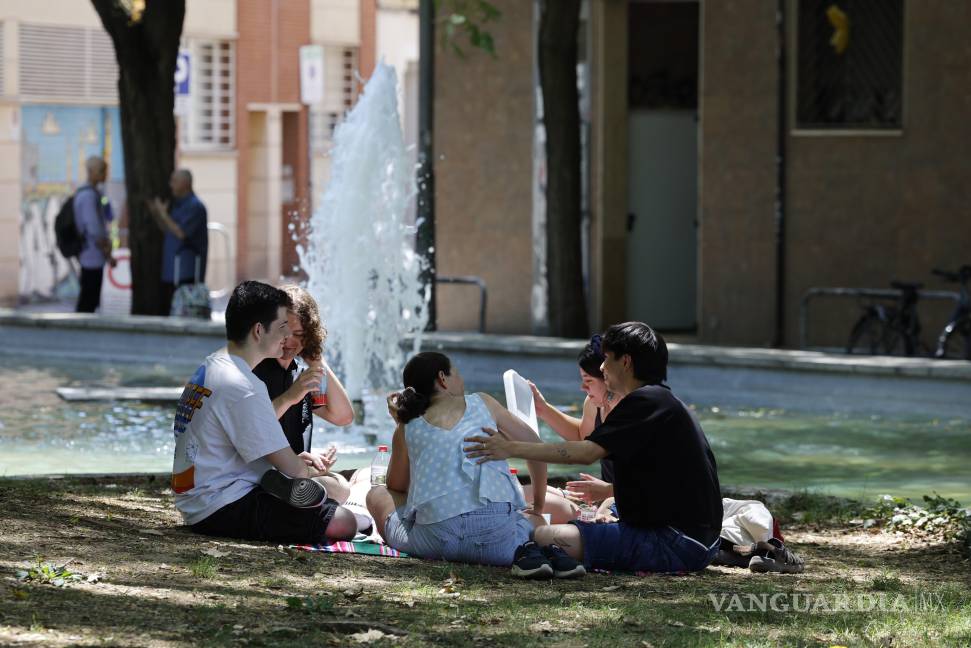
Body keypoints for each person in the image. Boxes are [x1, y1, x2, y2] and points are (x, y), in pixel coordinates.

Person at [465, 322, 723, 576]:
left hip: (679, 543)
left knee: (544, 535)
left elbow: (586, 452)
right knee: (584, 518)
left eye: (607, 358)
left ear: (626, 362)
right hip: (694, 539)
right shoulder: (657, 400)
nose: (601, 367)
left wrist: (510, 447)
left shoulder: (646, 402)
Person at [171, 280, 357, 544]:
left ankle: (286, 492)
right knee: (345, 521)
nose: (287, 338)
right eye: (282, 327)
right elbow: (294, 470)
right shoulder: (245, 385)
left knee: (327, 489)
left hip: (201, 496)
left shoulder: (214, 365)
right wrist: (304, 472)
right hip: (222, 504)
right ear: (260, 331)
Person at [366, 352, 582, 575]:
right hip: (501, 547)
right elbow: (535, 447)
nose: (462, 380)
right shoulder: (482, 402)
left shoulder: (407, 425)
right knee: (532, 521)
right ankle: (534, 549)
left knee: (377, 494)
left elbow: (397, 487)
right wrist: (537, 506)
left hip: (435, 545)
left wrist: (402, 426)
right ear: (443, 378)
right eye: (457, 373)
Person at [252, 284, 356, 504]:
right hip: (263, 474)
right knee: (342, 489)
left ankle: (300, 490)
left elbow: (343, 416)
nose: (290, 342)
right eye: (284, 333)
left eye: (299, 335)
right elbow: (251, 429)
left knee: (361, 477)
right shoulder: (254, 370)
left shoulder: (300, 372)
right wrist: (291, 396)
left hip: (297, 474)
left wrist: (316, 359)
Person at [524, 334, 616, 522]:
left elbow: (584, 452)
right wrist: (543, 409)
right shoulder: (594, 404)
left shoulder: (634, 411)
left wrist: (512, 447)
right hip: (602, 500)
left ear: (608, 377)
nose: (583, 387)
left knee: (541, 525)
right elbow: (583, 437)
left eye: (589, 380)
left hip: (617, 505)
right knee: (522, 492)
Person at [147, 169, 208, 315]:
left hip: (187, 269)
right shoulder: (178, 204)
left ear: (185, 183)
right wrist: (158, 215)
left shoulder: (195, 206)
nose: (170, 185)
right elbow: (169, 229)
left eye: (174, 181)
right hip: (172, 269)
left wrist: (163, 214)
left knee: (185, 310)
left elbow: (181, 233)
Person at [73, 156, 114, 313]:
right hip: (91, 255)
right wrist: (107, 251)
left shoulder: (92, 194)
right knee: (88, 299)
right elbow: (94, 229)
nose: (105, 175)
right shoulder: (88, 196)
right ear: (91, 172)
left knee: (90, 298)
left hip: (91, 254)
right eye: (101, 171)